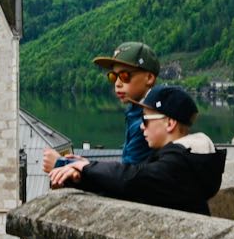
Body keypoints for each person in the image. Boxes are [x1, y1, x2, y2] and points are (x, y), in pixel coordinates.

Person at [48, 85, 227, 215]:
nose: (142, 126)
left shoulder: (178, 165)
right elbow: (131, 188)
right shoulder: (189, 159)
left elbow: (131, 179)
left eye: (146, 119)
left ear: (170, 123)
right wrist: (82, 176)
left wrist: (85, 166)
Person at [42, 41, 159, 173]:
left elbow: (126, 177)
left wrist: (63, 163)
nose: (117, 84)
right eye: (113, 76)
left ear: (149, 78)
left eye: (125, 76)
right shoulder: (137, 110)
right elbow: (127, 167)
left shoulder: (150, 121)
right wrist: (85, 164)